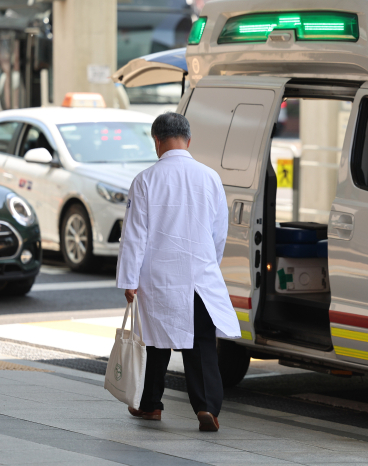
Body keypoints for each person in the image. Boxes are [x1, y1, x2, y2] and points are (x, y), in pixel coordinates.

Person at [116, 112, 240, 432]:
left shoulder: (145, 180)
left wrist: (129, 280)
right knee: (201, 343)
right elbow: (219, 232)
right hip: (200, 273)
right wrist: (209, 262)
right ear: (188, 140)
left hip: (159, 275)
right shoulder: (210, 177)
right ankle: (207, 407)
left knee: (157, 341)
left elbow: (134, 235)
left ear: (157, 141)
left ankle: (151, 405)